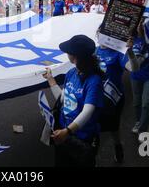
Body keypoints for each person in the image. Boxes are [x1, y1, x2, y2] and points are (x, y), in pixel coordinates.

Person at [42, 35, 104, 167]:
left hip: (83, 138)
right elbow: (63, 99)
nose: (66, 54)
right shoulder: (71, 73)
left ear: (75, 56)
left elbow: (88, 111)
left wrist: (68, 131)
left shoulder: (94, 81)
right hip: (64, 135)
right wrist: (50, 79)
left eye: (68, 51)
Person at [95, 29, 139, 163]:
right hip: (96, 96)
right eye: (100, 33)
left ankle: (117, 145)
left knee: (113, 127)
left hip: (114, 98)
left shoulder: (119, 53)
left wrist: (130, 51)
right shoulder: (94, 51)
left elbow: (134, 68)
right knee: (94, 126)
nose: (102, 36)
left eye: (106, 34)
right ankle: (93, 156)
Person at [129, 20, 149, 138]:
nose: (140, 26)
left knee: (146, 103)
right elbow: (126, 60)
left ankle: (142, 130)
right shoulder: (130, 40)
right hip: (135, 76)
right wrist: (128, 49)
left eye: (143, 24)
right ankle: (138, 122)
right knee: (136, 103)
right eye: (139, 24)